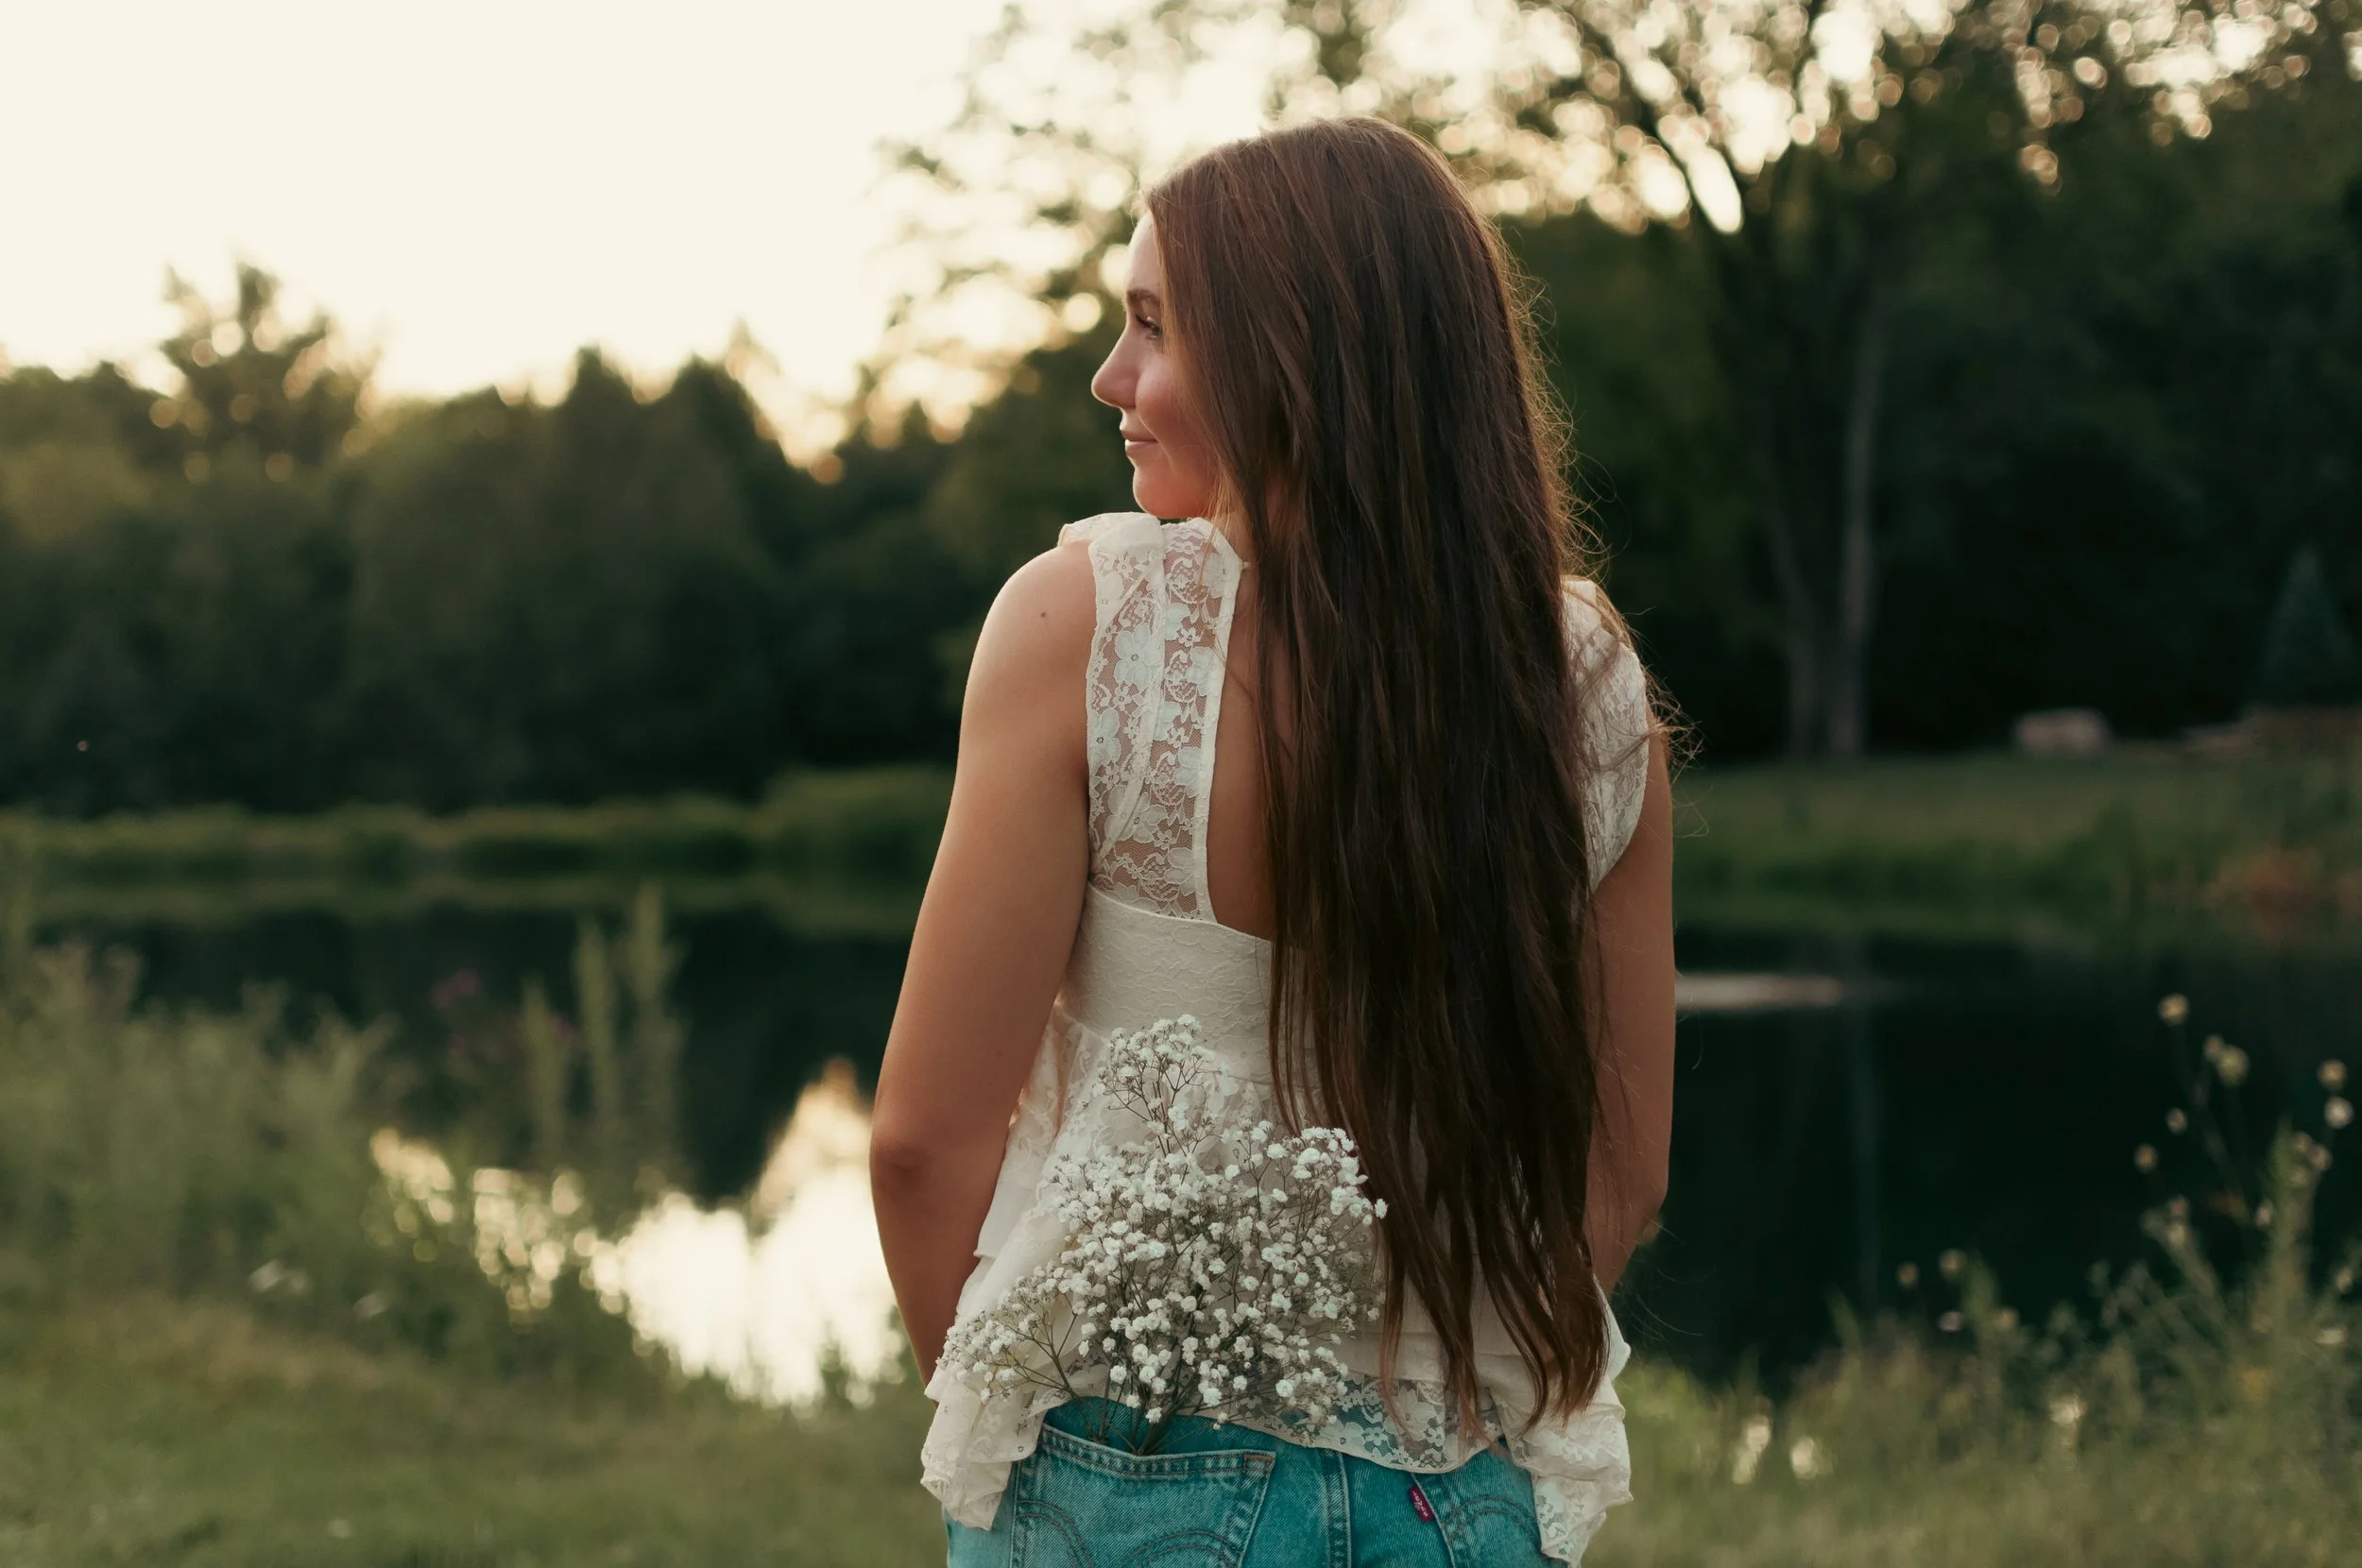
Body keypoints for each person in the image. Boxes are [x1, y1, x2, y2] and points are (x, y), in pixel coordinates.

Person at [870, 116, 1676, 1567]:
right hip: (1459, 1499)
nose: (1109, 379)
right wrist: (1444, 1374)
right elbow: (1620, 1174)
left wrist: (1004, 1427)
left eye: (1154, 329)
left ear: (1294, 357)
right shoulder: (1586, 682)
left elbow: (923, 1147)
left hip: (1112, 1471)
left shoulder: (1086, 628)